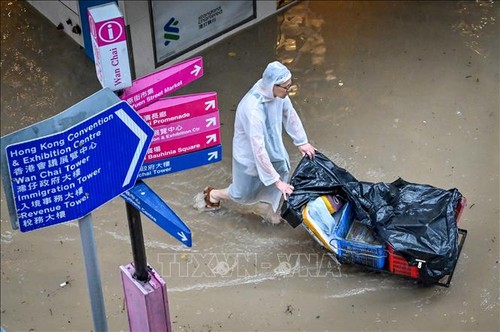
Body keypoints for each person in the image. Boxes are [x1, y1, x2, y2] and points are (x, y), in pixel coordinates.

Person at [203, 61, 316, 222]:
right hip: (249, 156)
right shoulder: (253, 108)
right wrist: (275, 181)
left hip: (273, 147)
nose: (289, 90)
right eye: (286, 87)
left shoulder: (279, 94)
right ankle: (213, 194)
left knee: (282, 173)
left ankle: (271, 213)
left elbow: (289, 114)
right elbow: (258, 148)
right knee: (242, 193)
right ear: (273, 85)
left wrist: (301, 141)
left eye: (290, 85)